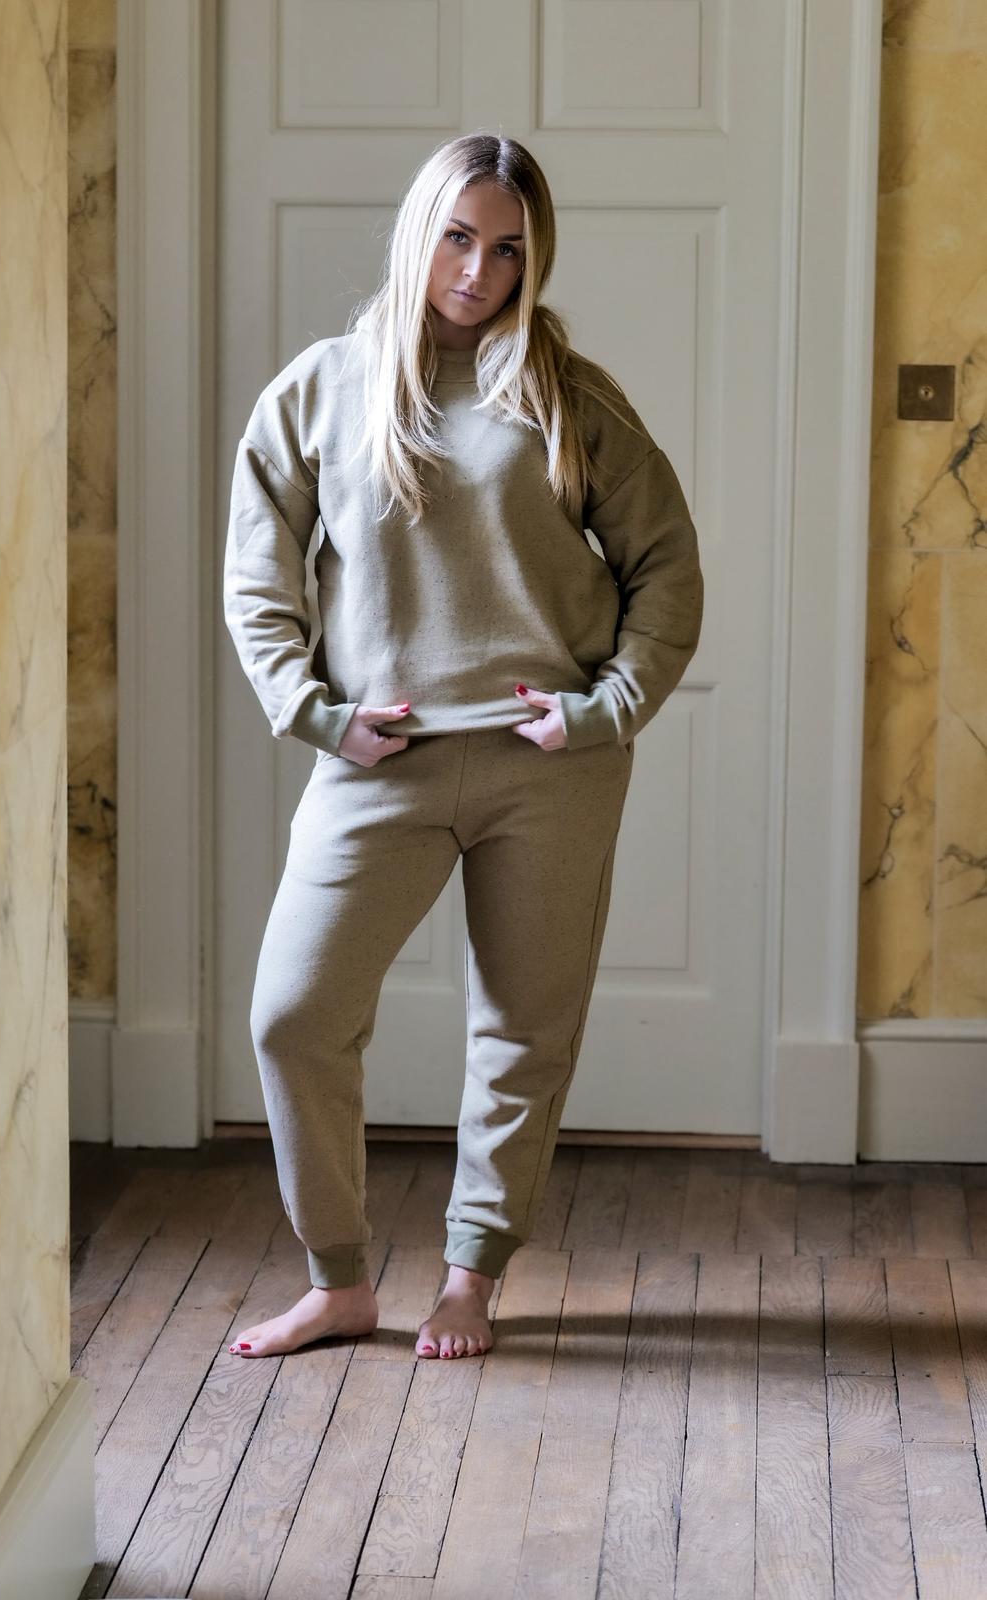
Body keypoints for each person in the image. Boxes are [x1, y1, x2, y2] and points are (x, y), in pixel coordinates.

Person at [222, 132, 704, 1361]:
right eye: (458, 237)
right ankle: (337, 1278)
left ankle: (470, 1277)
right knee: (294, 1012)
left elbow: (666, 571)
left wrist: (603, 709)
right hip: (379, 757)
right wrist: (317, 709)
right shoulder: (321, 390)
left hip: (550, 766)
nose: (478, 270)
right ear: (417, 229)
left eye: (508, 249)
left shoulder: (565, 396)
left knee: (522, 1028)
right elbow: (257, 580)